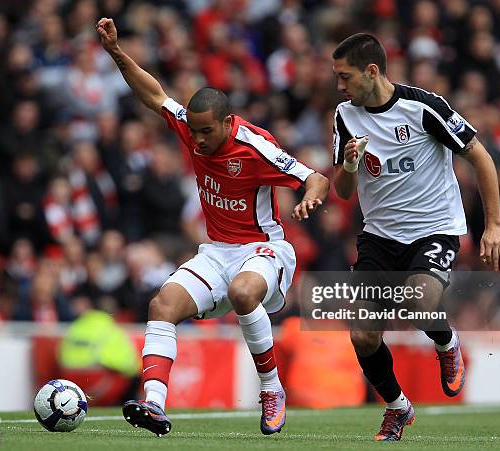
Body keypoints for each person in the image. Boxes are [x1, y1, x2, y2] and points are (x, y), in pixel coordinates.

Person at [96, 18, 329, 437]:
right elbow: (154, 94)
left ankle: (272, 390)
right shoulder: (189, 127)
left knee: (243, 292)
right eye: (194, 131)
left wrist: (311, 196)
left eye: (206, 132)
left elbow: (316, 177)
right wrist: (116, 52)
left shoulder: (256, 147)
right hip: (217, 251)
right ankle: (153, 404)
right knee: (162, 305)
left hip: (264, 249)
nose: (197, 140)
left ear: (226, 123)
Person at [331, 34, 500, 441]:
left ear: (372, 72)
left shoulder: (423, 107)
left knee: (420, 300)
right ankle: (397, 408)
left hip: (434, 229)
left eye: (345, 76)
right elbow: (342, 190)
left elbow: (479, 155)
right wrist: (350, 164)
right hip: (378, 236)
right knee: (362, 334)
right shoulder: (344, 115)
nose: (340, 86)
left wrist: (494, 225)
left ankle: (447, 344)